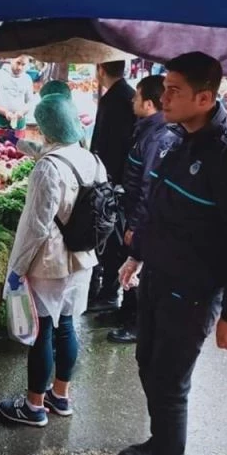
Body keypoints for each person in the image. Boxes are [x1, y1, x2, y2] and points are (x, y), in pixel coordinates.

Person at [104, 52, 227, 455]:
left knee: (170, 385)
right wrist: (137, 254)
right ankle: (160, 442)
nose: (164, 97)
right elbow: (158, 207)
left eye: (175, 90)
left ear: (204, 97)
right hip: (158, 278)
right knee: (147, 365)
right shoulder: (173, 139)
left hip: (194, 293)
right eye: (165, 87)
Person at [0, 94, 104, 427]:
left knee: (42, 331)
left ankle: (33, 407)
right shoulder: (92, 159)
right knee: (68, 326)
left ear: (46, 127)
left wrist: (16, 268)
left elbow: (36, 226)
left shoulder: (48, 167)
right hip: (83, 257)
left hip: (51, 262)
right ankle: (61, 396)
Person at [107, 75, 171, 345]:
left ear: (147, 103)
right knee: (128, 265)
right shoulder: (146, 130)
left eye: (136, 97)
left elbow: (148, 188)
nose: (132, 100)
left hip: (141, 220)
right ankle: (124, 314)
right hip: (132, 213)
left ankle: (134, 325)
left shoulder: (158, 138)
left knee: (137, 268)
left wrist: (135, 226)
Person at [89, 60, 136, 313]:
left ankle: (108, 292)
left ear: (101, 70)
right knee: (115, 239)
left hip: (112, 183)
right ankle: (108, 290)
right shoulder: (128, 95)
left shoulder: (113, 99)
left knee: (111, 239)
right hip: (122, 181)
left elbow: (106, 144)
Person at [0, 55, 33, 142]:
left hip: (19, 124)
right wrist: (6, 112)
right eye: (18, 63)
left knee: (16, 153)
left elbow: (29, 102)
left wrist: (21, 112)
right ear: (11, 59)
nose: (20, 67)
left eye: (23, 64)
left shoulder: (27, 79)